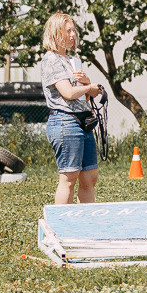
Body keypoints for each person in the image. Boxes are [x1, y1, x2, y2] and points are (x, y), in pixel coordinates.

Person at [40, 13, 103, 205]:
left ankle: (85, 222)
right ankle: (62, 227)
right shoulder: (51, 59)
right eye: (68, 31)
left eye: (74, 30)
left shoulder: (71, 60)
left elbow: (83, 94)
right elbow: (67, 92)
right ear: (56, 32)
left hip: (83, 122)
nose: (73, 34)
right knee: (69, 177)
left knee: (89, 177)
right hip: (65, 122)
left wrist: (89, 86)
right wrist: (89, 88)